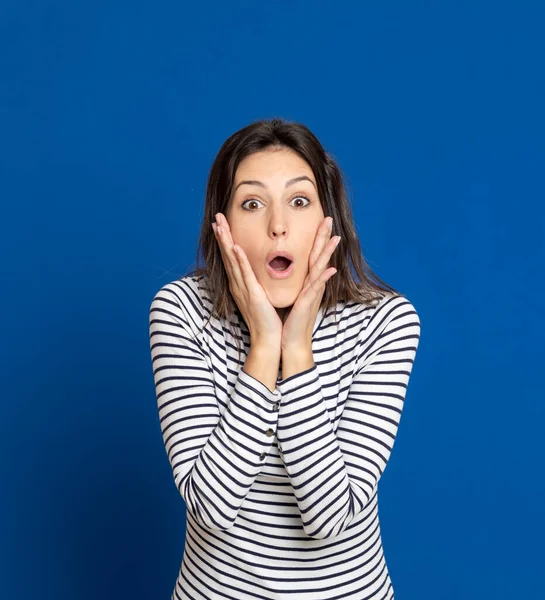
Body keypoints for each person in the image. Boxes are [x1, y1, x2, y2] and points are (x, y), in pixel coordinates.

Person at [148, 117, 421, 600]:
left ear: (327, 218)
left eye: (299, 201)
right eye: (252, 203)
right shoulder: (180, 312)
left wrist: (296, 351)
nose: (278, 225)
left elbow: (330, 516)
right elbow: (212, 506)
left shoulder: (388, 323)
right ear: (222, 226)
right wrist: (263, 346)